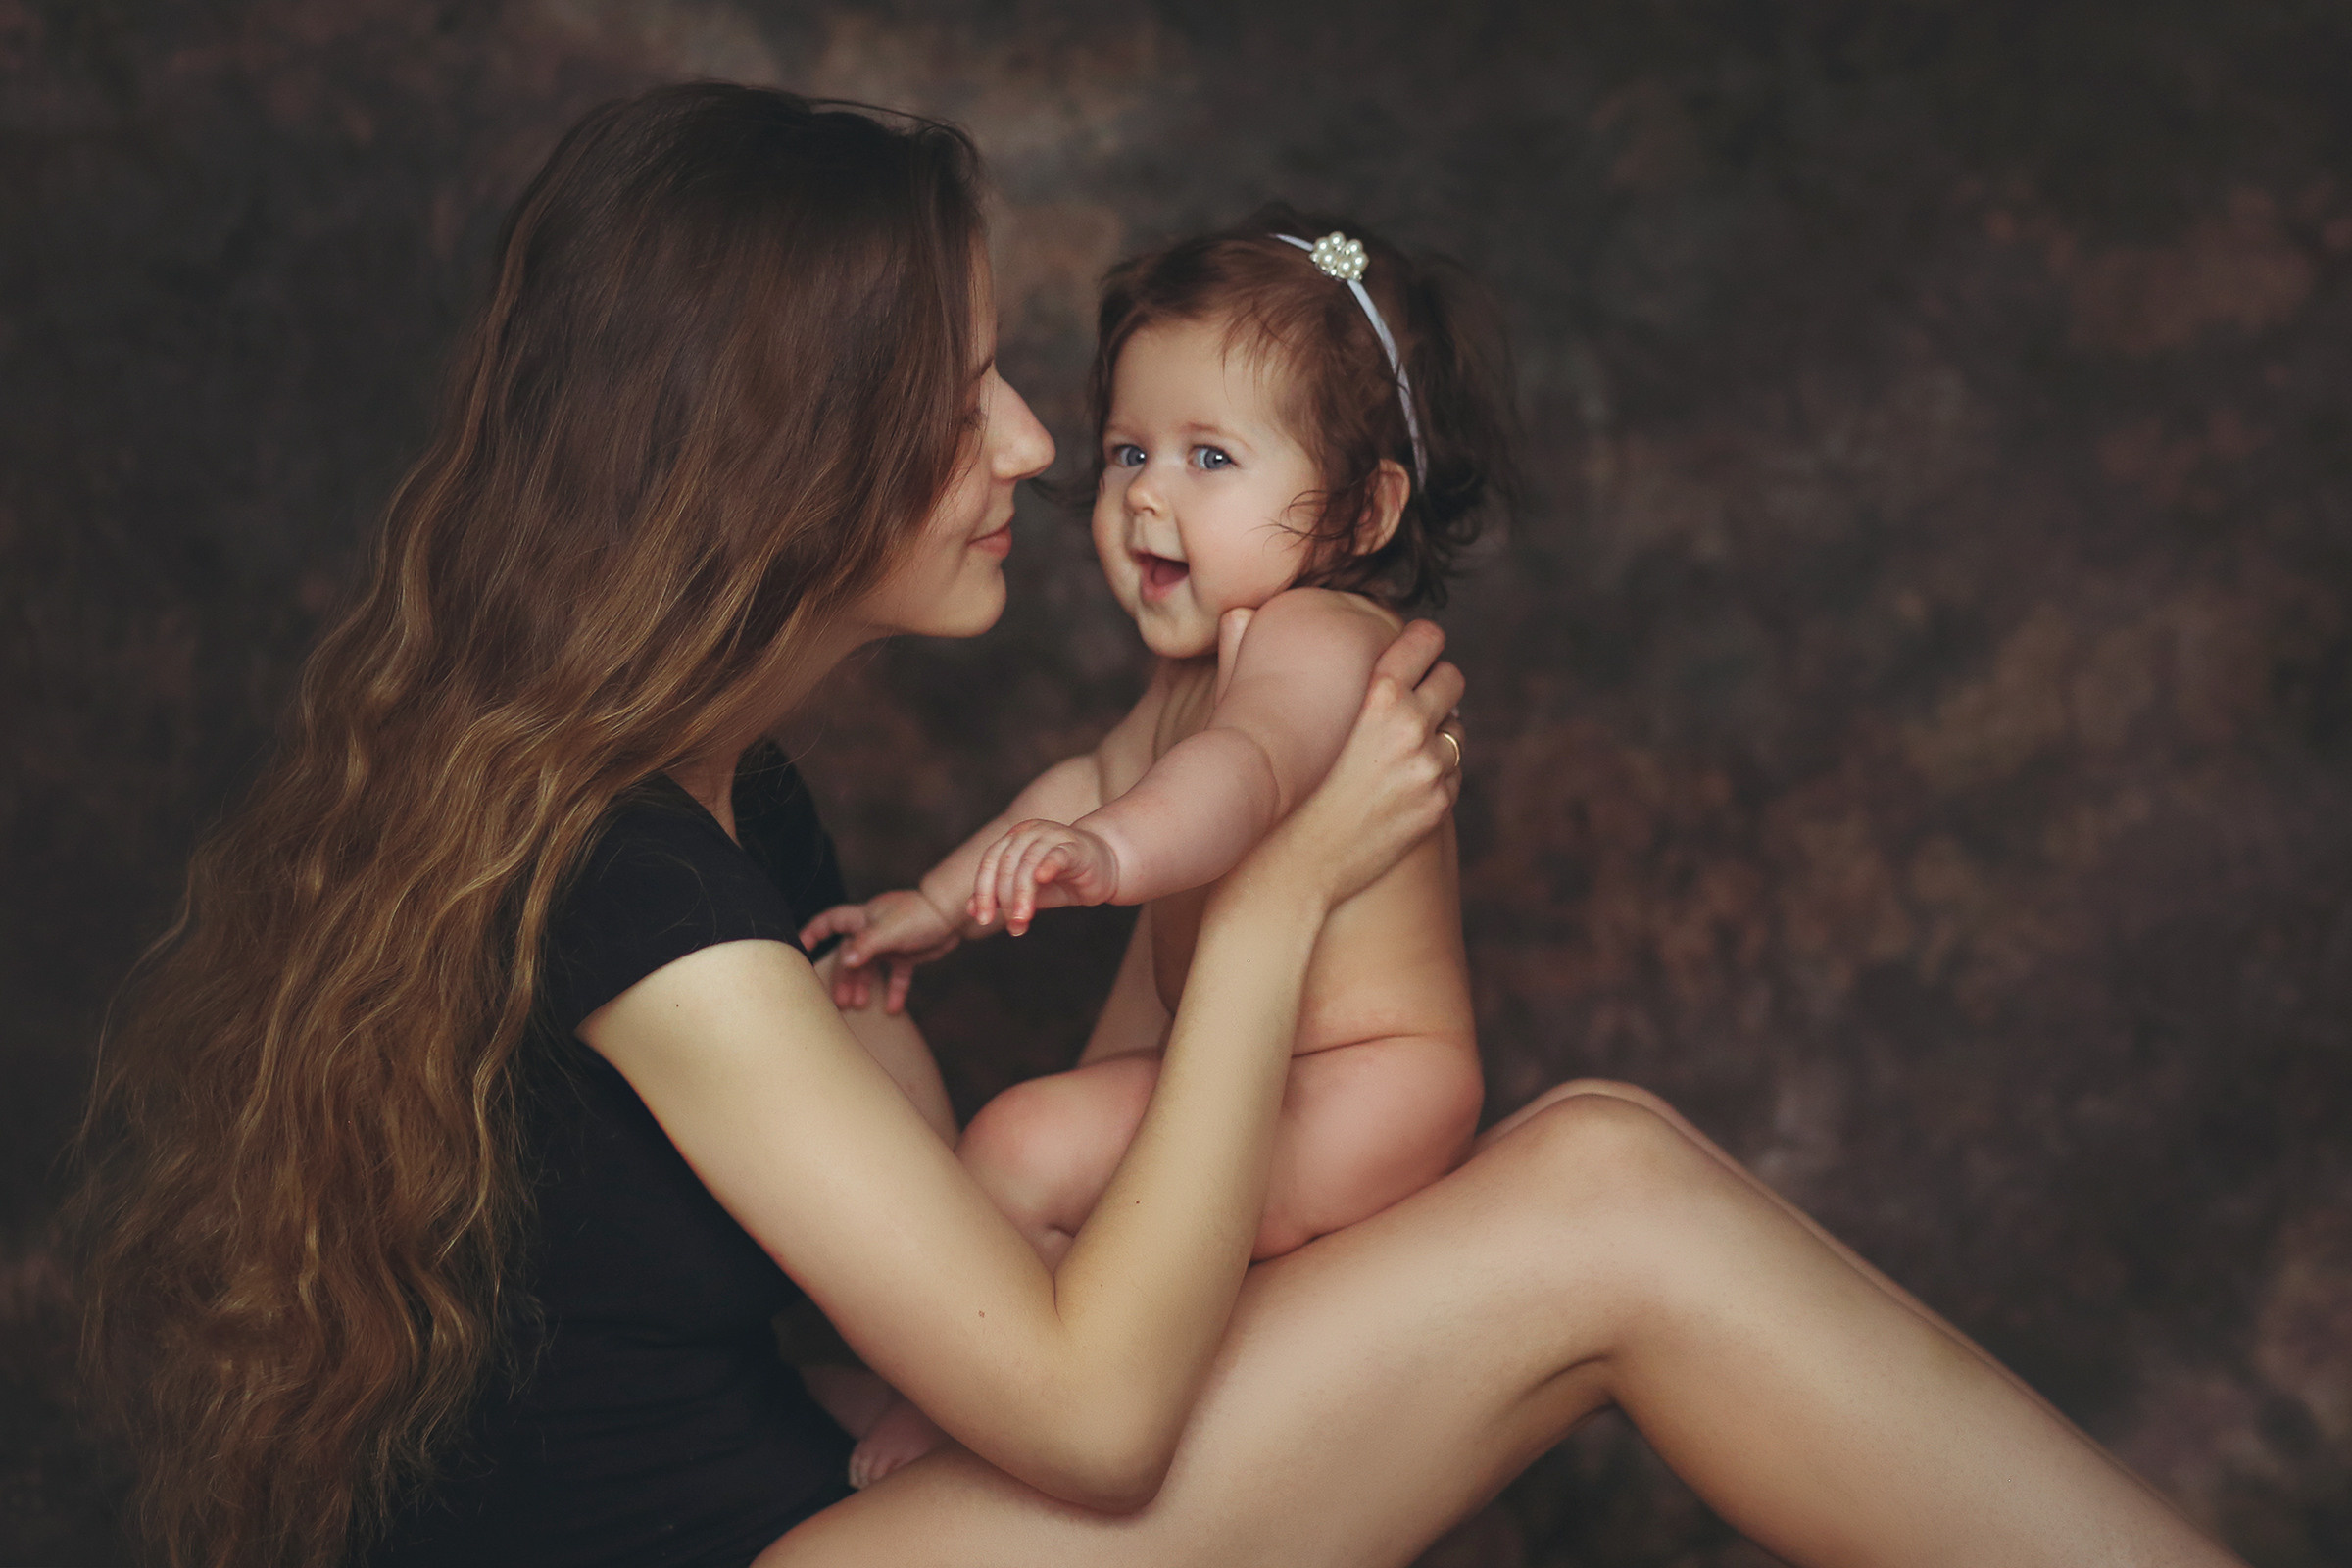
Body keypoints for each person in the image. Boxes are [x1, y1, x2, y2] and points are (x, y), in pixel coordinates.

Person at [74, 82, 2242, 1568]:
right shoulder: (644, 909)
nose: (1033, 442)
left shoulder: (727, 794)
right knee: (1607, 1205)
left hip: (832, 1504)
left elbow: (1007, 1242)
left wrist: (1229, 877)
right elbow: (1091, 1412)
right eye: (958, 397)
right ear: (773, 455)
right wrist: (1286, 885)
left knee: (1605, 1175)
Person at [802, 209, 1510, 1489]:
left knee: (1025, 1152)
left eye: (1209, 457)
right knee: (1028, 1154)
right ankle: (980, 1381)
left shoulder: (1321, 641)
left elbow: (1240, 780)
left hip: (1368, 1086)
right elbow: (1084, 781)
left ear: (1360, 509)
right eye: (1130, 449)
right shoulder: (1198, 676)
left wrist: (1119, 858)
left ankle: (976, 1408)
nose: (1145, 494)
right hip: (1278, 1068)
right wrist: (941, 902)